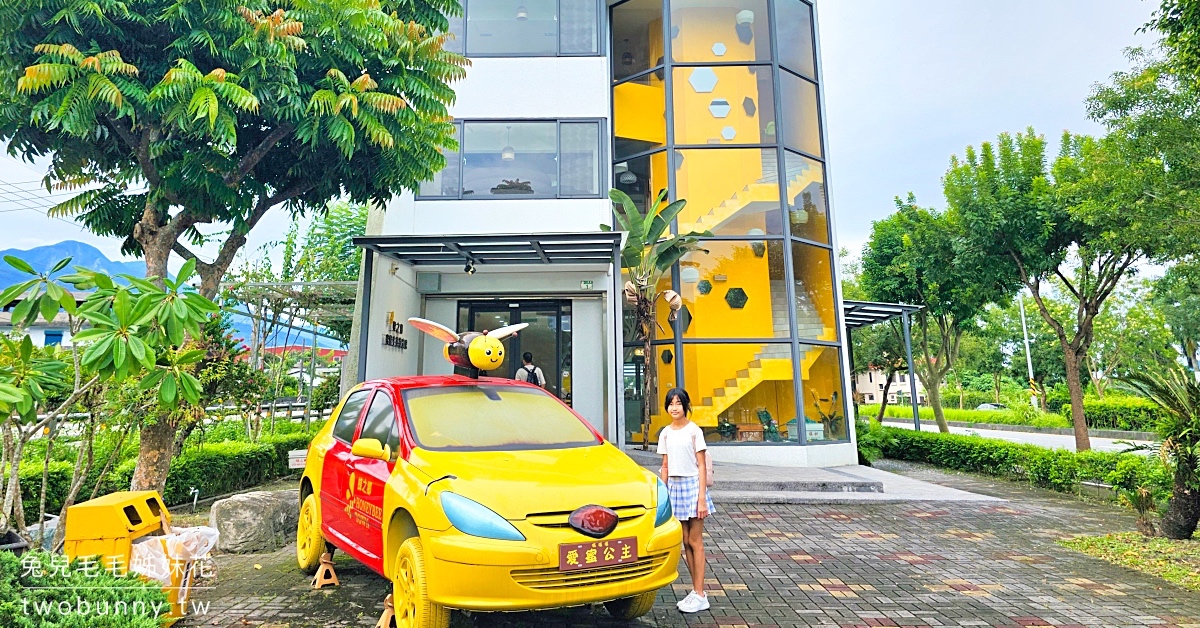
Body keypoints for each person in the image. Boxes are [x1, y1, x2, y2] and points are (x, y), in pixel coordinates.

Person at [656, 387, 714, 613]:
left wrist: (701, 498)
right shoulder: (665, 433)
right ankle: (696, 591)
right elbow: (665, 466)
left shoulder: (694, 431)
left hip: (692, 486)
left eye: (678, 403)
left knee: (695, 540)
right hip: (675, 488)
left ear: (685, 405)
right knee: (685, 541)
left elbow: (701, 465)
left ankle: (700, 594)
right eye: (671, 403)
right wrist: (664, 495)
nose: (674, 407)